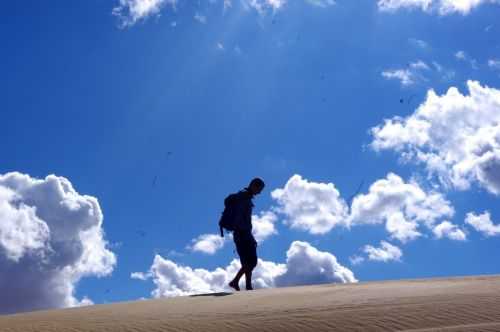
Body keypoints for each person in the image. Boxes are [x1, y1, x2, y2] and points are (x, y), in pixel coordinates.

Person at [227, 177, 265, 291]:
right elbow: (239, 218)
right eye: (259, 189)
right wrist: (246, 234)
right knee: (251, 261)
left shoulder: (245, 197)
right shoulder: (243, 198)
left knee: (248, 261)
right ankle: (237, 282)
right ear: (254, 186)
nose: (260, 192)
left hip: (243, 233)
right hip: (242, 234)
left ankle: (247, 285)